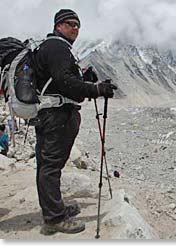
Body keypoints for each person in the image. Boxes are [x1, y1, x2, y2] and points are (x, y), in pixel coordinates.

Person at [33, 9, 117, 235]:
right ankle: (54, 219)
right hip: (57, 115)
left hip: (53, 114)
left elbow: (62, 81)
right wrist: (97, 89)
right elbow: (64, 82)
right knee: (51, 166)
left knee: (49, 165)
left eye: (78, 25)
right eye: (70, 24)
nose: (76, 29)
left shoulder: (56, 48)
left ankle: (54, 209)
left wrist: (84, 80)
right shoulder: (57, 47)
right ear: (58, 25)